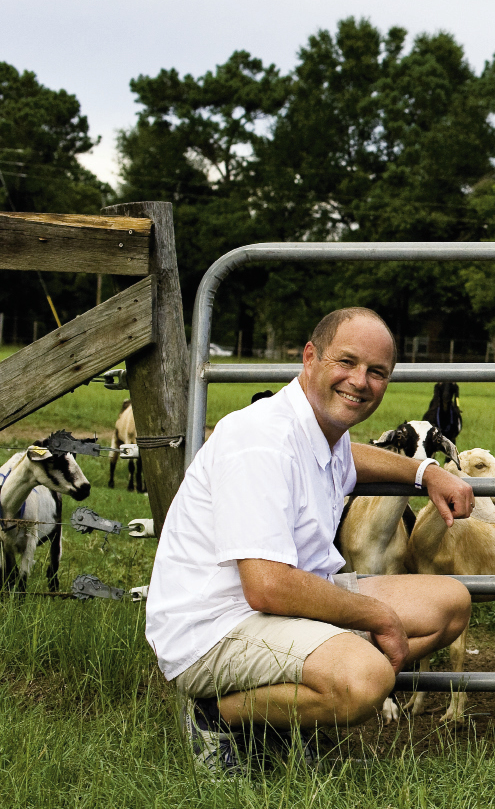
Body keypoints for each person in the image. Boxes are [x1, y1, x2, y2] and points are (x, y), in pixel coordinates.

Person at [145, 308, 475, 774]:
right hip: (216, 627)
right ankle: (217, 714)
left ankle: (281, 709)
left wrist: (426, 471)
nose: (360, 381)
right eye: (347, 362)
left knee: (449, 604)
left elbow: (353, 458)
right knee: (366, 680)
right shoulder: (260, 439)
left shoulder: (320, 431)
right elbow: (267, 586)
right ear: (310, 358)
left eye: (376, 372)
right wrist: (376, 616)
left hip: (276, 608)